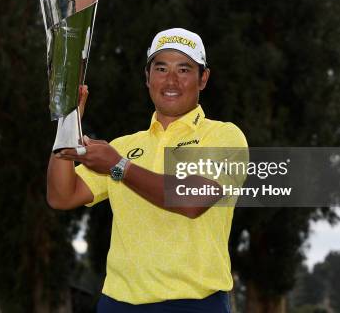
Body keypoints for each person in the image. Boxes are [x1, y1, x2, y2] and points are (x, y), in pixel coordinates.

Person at [47, 28, 248, 312]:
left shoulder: (224, 136)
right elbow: (61, 196)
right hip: (117, 303)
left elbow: (193, 200)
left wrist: (118, 166)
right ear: (147, 77)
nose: (171, 80)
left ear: (203, 79)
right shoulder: (124, 145)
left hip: (194, 304)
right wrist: (67, 124)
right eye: (161, 68)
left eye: (184, 69)